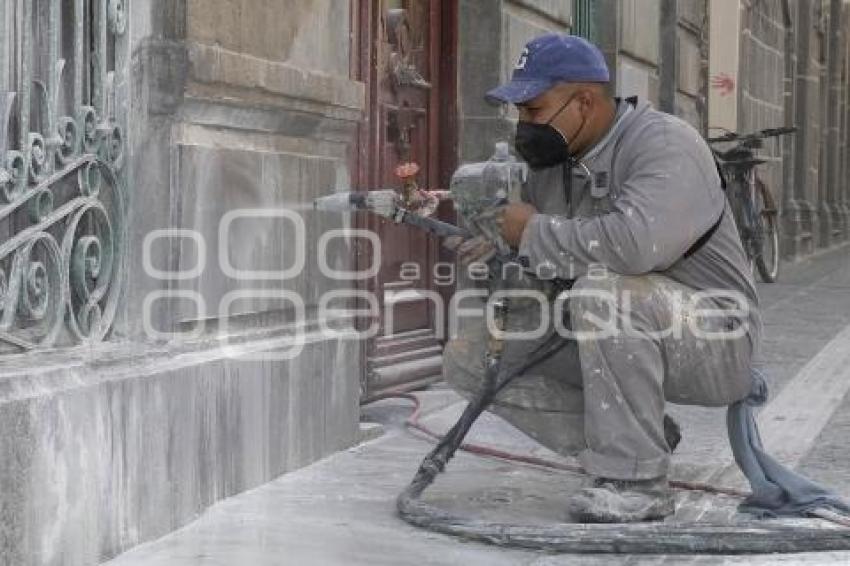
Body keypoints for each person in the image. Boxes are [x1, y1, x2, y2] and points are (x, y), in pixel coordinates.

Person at [442, 34, 762, 523]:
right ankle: (634, 440)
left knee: (604, 291)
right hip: (613, 327)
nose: (524, 125)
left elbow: (636, 246)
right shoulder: (552, 166)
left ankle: (636, 482)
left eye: (533, 109)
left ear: (585, 102)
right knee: (472, 355)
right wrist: (502, 253)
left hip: (716, 334)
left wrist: (530, 231)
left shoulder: (666, 144)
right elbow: (550, 254)